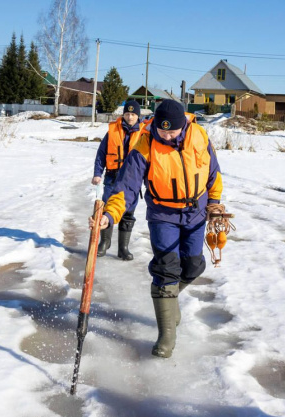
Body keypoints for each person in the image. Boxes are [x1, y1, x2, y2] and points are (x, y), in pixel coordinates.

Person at [89, 99, 223, 358]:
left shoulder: (199, 135)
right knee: (166, 268)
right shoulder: (145, 143)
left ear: (183, 125)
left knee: (194, 265)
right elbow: (126, 188)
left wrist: (215, 202)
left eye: (171, 131)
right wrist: (109, 214)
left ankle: (169, 300)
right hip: (163, 214)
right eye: (162, 131)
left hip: (196, 212)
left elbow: (213, 172)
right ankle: (166, 336)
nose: (167, 135)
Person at [91, 99, 143, 260]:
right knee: (108, 209)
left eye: (133, 114)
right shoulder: (113, 131)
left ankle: (123, 248)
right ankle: (104, 243)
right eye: (127, 114)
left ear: (138, 116)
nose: (130, 117)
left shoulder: (144, 133)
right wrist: (98, 173)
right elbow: (101, 154)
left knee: (127, 212)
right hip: (113, 177)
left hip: (132, 179)